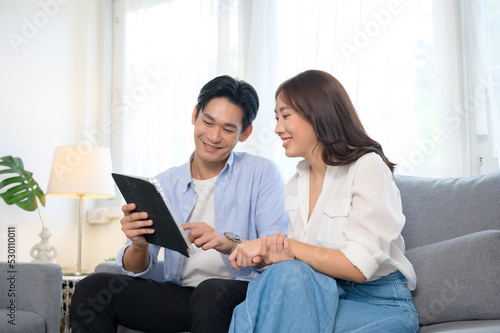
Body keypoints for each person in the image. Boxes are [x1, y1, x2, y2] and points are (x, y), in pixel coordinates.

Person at [70, 75, 289, 333]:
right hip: (182, 296)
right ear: (195, 115)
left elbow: (275, 255)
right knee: (92, 289)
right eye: (208, 122)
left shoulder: (262, 173)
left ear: (245, 133)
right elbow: (137, 269)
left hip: (240, 295)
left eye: (228, 129)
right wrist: (138, 245)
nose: (214, 136)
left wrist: (227, 243)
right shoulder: (165, 183)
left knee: (210, 292)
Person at [227, 70, 419, 332]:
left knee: (269, 309)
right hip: (323, 291)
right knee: (284, 276)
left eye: (285, 116)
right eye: (276, 118)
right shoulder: (296, 183)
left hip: (379, 302)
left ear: (317, 113)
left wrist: (289, 249)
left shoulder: (367, 167)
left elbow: (357, 266)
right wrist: (272, 255)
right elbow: (304, 265)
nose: (277, 128)